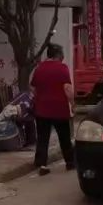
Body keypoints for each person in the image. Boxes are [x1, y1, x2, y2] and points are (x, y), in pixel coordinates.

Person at [30, 44, 75, 176]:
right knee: (64, 137)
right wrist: (72, 104)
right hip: (59, 109)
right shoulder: (62, 68)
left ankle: (42, 165)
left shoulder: (39, 68)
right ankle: (70, 162)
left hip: (42, 110)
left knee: (42, 138)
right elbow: (67, 88)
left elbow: (32, 87)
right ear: (58, 55)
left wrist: (40, 96)